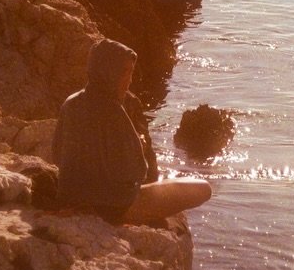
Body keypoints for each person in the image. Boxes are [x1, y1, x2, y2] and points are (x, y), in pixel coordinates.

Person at [52, 38, 211, 224]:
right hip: (112, 208)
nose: (130, 80)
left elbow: (57, 154)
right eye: (125, 72)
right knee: (202, 188)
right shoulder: (112, 110)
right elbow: (137, 173)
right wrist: (139, 146)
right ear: (109, 72)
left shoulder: (70, 103)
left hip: (70, 198)